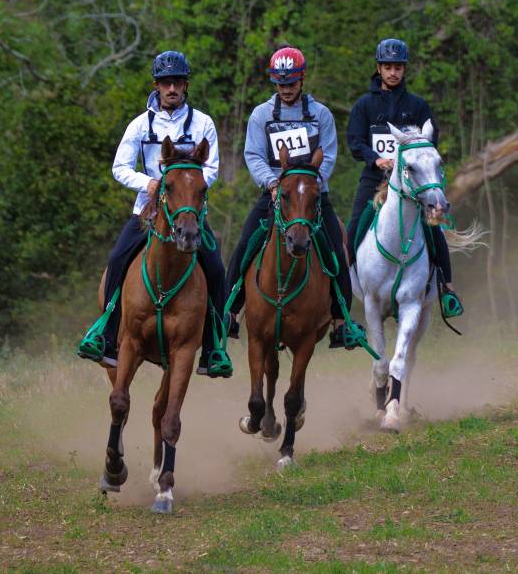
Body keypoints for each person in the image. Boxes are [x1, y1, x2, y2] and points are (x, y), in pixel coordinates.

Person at [78, 49, 231, 377]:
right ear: (157, 85)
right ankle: (107, 334)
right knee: (118, 259)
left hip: (188, 212)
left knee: (216, 269)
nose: (171, 88)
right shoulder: (140, 124)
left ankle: (214, 345)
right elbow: (119, 166)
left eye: (177, 82)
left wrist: (186, 186)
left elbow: (212, 168)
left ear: (185, 85)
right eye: (165, 83)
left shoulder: (203, 123)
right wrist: (149, 183)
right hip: (146, 213)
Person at [224, 45, 360, 348]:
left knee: (336, 251)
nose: (286, 90)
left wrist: (311, 184)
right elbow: (254, 155)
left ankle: (341, 322)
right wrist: (272, 184)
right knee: (245, 245)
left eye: (292, 83)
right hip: (276, 194)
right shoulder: (261, 115)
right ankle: (229, 313)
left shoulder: (321, 114)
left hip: (312, 196)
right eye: (280, 84)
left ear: (302, 80)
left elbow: (329, 155)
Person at [346, 37, 463, 315]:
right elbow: (354, 141)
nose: (393, 72)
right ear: (379, 68)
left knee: (436, 229)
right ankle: (339, 300)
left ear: (404, 69)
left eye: (398, 67)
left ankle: (447, 289)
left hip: (412, 185)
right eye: (387, 66)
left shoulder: (418, 105)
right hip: (374, 180)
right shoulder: (364, 105)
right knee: (352, 233)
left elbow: (430, 144)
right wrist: (376, 159)